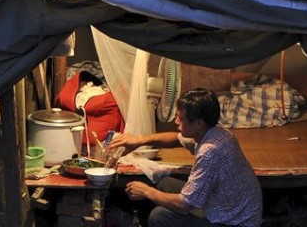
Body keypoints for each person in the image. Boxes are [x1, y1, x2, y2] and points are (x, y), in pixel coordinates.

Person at [108, 88, 262, 227]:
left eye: (181, 119)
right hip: (225, 205)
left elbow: (184, 205)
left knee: (159, 216)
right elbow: (176, 138)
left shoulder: (209, 151)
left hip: (233, 222)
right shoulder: (217, 132)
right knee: (165, 183)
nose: (176, 122)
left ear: (199, 123)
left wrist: (147, 192)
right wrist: (139, 140)